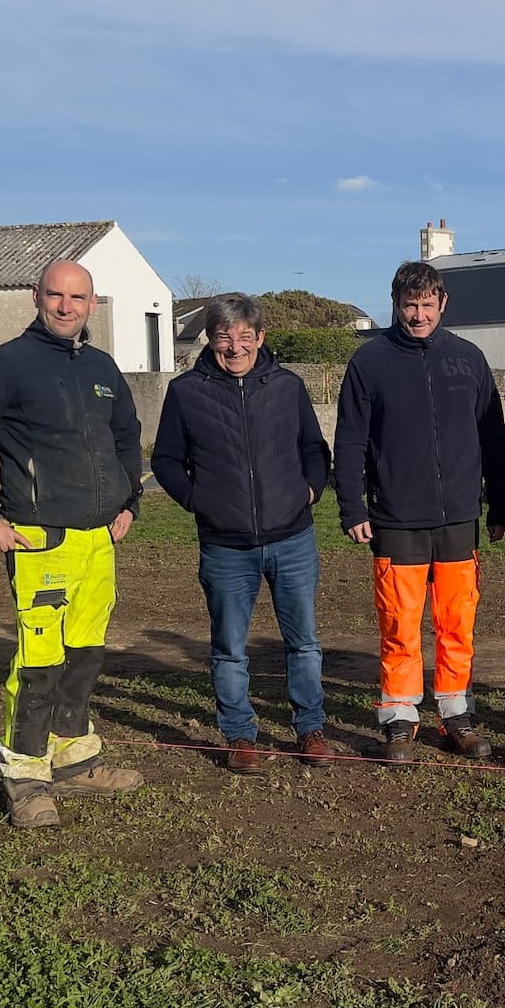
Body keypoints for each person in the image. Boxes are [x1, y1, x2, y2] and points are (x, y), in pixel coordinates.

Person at [0, 259, 146, 829]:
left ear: (92, 304)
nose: (65, 306)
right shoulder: (4, 365)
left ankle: (73, 756)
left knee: (85, 654)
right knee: (40, 661)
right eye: (55, 295)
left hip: (99, 540)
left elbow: (126, 438)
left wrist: (129, 502)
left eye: (77, 298)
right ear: (36, 296)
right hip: (40, 543)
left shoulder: (102, 367)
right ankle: (25, 774)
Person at [334, 261, 505, 762]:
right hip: (395, 518)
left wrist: (501, 501)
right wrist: (352, 505)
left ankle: (456, 714)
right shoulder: (370, 361)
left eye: (427, 305)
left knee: (457, 621)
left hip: (459, 516)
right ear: (396, 303)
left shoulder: (469, 359)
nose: (418, 315)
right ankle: (399, 716)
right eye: (409, 306)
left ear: (443, 303)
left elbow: (493, 438)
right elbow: (349, 440)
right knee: (400, 622)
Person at [150, 293, 333, 772]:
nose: (235, 347)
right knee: (230, 649)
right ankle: (240, 735)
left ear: (261, 337)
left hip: (292, 539)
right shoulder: (186, 392)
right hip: (226, 547)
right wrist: (199, 501)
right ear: (210, 339)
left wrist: (309, 490)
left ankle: (310, 728)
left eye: (245, 337)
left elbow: (315, 449)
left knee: (305, 643)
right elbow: (165, 461)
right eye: (224, 337)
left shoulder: (287, 386)